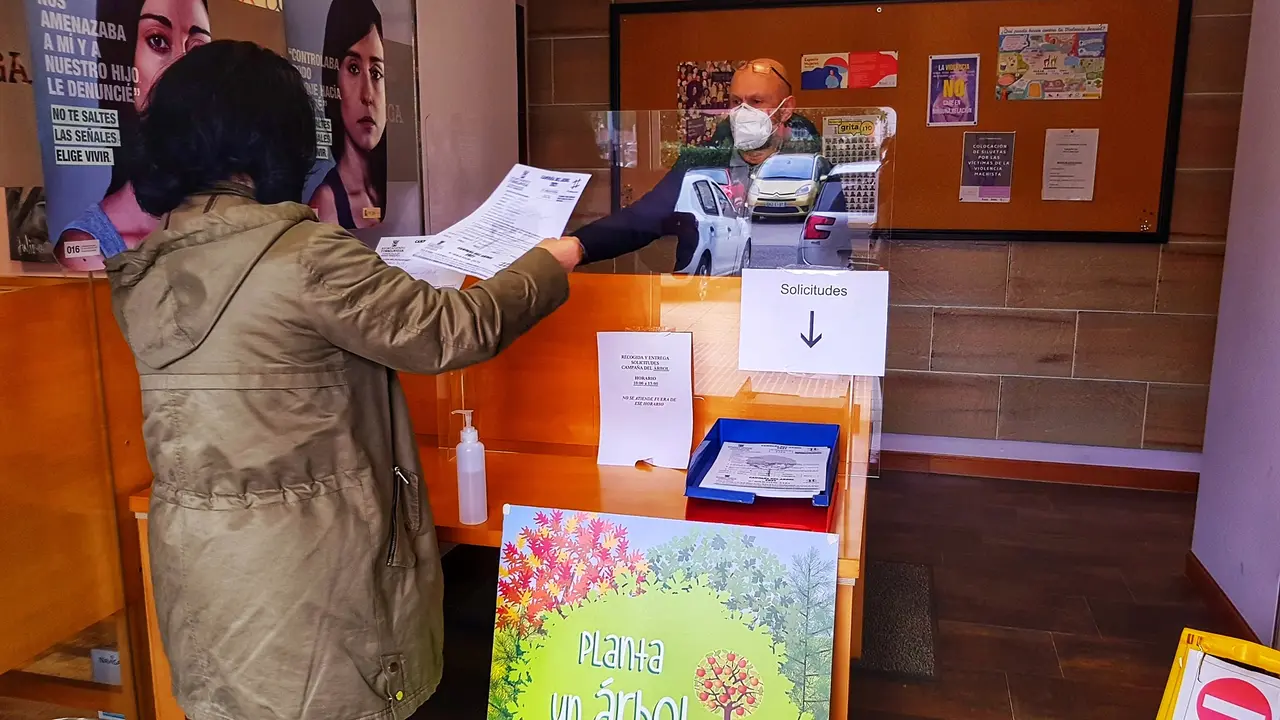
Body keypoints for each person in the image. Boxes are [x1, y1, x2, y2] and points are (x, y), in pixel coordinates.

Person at [105, 40, 582, 720]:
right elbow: (452, 329)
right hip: (315, 583)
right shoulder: (302, 257)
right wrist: (547, 264)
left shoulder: (145, 270)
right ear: (277, 135)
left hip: (205, 579)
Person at [575, 58, 821, 271]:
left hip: (784, 297)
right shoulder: (699, 164)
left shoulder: (813, 169)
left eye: (756, 101)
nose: (743, 111)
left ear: (786, 109)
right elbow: (643, 218)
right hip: (706, 293)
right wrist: (578, 245)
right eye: (736, 101)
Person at [57, 0, 212, 270]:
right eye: (158, 41)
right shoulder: (90, 243)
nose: (181, 65)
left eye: (197, 49)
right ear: (122, 53)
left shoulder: (234, 217)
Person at [308, 0, 387, 229]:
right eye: (353, 68)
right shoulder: (325, 202)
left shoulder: (386, 194)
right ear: (334, 81)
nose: (368, 95)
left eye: (376, 73)